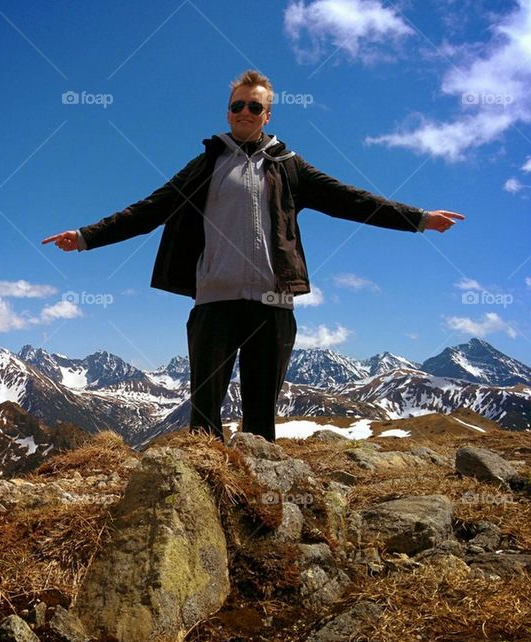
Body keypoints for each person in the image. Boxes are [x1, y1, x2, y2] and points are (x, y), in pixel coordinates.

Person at [42, 69, 463, 442]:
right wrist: (84, 237)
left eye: (254, 106)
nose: (245, 111)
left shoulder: (289, 167)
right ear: (228, 113)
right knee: (205, 418)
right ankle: (198, 513)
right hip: (214, 303)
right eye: (237, 105)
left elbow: (350, 199)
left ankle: (259, 517)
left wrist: (418, 218)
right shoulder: (205, 166)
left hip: (273, 305)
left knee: (260, 422)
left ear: (267, 115)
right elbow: (150, 209)